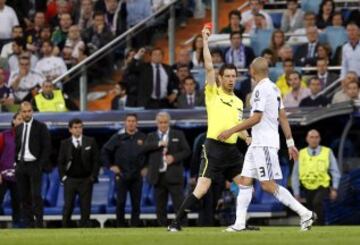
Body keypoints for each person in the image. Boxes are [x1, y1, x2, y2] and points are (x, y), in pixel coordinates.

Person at [167, 27, 252, 232]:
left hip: (232, 151)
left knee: (245, 184)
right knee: (202, 189)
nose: (231, 79)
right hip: (213, 148)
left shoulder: (238, 102)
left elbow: (238, 126)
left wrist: (247, 137)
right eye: (228, 76)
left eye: (234, 76)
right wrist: (205, 42)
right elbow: (208, 67)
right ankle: (175, 223)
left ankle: (241, 224)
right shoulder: (213, 93)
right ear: (220, 78)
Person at [217, 57, 316, 232]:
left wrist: (231, 130)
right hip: (257, 144)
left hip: (264, 144)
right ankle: (239, 223)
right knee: (245, 181)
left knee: (267, 184)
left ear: (252, 71)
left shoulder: (260, 89)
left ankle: (304, 212)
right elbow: (283, 116)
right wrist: (290, 142)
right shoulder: (275, 88)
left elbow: (256, 118)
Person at [143, 112, 191, 226]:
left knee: (179, 204)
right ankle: (162, 228)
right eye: (160, 122)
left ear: (169, 123)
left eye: (165, 122)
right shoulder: (151, 136)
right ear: (156, 123)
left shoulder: (178, 134)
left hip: (174, 176)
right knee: (160, 206)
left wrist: (174, 158)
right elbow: (144, 149)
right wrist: (158, 144)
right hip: (157, 177)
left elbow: (187, 151)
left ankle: (182, 226)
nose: (163, 125)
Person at [101, 113, 146, 227]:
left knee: (136, 204)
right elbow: (105, 151)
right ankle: (120, 226)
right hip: (121, 175)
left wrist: (147, 167)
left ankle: (135, 226)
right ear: (125, 123)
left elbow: (150, 154)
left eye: (133, 121)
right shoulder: (118, 137)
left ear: (137, 123)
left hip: (137, 176)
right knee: (120, 202)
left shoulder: (143, 137)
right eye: (129, 121)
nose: (131, 123)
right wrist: (110, 166)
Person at [291, 129, 340, 225]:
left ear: (320, 139)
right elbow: (295, 175)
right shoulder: (301, 153)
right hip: (307, 186)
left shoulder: (327, 152)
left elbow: (335, 171)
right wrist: (296, 193)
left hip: (323, 185)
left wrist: (334, 188)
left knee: (317, 203)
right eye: (311, 137)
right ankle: (314, 227)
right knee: (310, 207)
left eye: (316, 137)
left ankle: (321, 225)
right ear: (307, 139)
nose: (314, 140)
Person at [58, 118, 100, 228]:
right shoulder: (65, 143)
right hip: (70, 180)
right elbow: (60, 162)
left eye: (80, 127)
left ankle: (85, 229)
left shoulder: (91, 141)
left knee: (85, 207)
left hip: (86, 180)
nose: (78, 130)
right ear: (70, 129)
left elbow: (96, 161)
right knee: (68, 206)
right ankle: (65, 228)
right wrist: (63, 177)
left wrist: (92, 177)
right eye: (75, 128)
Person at [15, 101, 51, 228]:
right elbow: (17, 147)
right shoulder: (18, 128)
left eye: (29, 111)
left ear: (32, 112)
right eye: (24, 111)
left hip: (35, 165)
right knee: (24, 196)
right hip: (21, 166)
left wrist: (40, 165)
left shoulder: (41, 127)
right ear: (20, 112)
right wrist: (16, 163)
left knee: (36, 195)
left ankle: (39, 223)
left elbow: (47, 148)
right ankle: (29, 224)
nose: (27, 113)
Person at [0, 112, 23, 227]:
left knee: (17, 202)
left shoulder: (28, 137)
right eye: (18, 119)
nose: (20, 121)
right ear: (13, 121)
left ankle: (17, 225)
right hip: (3, 174)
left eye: (23, 119)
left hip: (19, 175)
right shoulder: (4, 135)